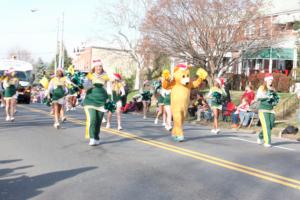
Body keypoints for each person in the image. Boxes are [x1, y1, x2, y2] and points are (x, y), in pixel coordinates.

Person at [83, 59, 110, 146]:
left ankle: (96, 136)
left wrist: (109, 99)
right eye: (98, 66)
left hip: (101, 100)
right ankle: (91, 138)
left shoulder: (106, 76)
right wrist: (91, 85)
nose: (99, 67)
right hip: (90, 100)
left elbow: (108, 89)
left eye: (100, 66)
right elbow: (84, 86)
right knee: (93, 119)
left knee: (99, 120)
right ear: (94, 67)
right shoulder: (90, 76)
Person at [256, 73, 280, 148]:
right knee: (266, 126)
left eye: (271, 80)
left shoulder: (273, 88)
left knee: (271, 125)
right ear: (266, 80)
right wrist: (267, 97)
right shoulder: (262, 87)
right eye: (269, 80)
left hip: (271, 110)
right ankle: (267, 142)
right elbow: (258, 97)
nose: (271, 81)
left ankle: (260, 136)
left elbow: (276, 98)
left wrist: (276, 100)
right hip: (263, 109)